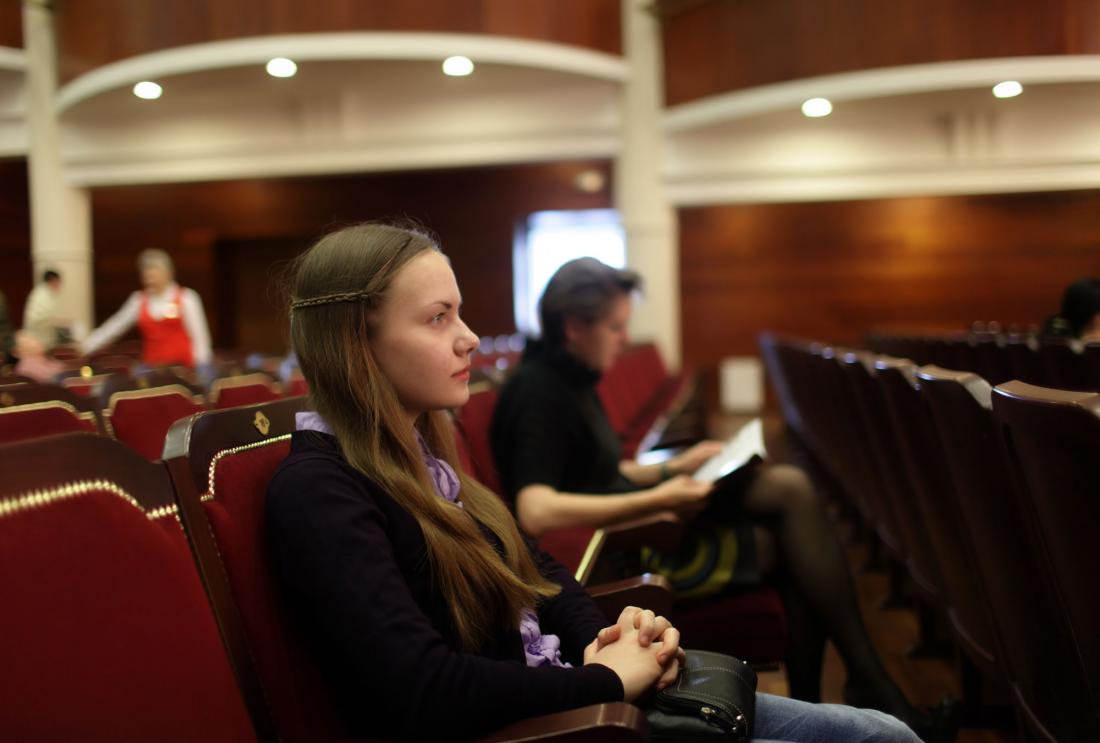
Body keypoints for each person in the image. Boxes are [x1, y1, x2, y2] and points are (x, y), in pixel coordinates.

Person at [265, 222, 919, 743]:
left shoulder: (417, 453)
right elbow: (423, 689)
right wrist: (605, 679)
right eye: (439, 317)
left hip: (566, 693)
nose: (469, 339)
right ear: (358, 341)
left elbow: (532, 563)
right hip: (549, 721)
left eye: (460, 314)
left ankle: (872, 685)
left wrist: (597, 635)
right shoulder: (321, 490)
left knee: (879, 732)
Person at [491, 257, 951, 740]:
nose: (625, 339)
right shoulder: (536, 390)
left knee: (789, 517)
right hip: (632, 549)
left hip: (643, 524)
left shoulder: (572, 379)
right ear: (573, 327)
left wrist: (676, 466)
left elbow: (598, 473)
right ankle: (864, 687)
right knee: (788, 512)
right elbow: (537, 507)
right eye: (615, 327)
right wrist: (660, 498)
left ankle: (851, 690)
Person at [80, 249, 212, 370]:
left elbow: (200, 337)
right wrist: (86, 346)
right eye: (146, 275)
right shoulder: (138, 300)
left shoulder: (187, 298)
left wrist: (202, 366)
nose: (149, 280)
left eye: (153, 274)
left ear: (167, 273)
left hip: (184, 367)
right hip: (151, 367)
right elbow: (114, 326)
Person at [22, 269, 69, 350]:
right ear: (53, 280)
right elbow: (40, 318)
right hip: (37, 341)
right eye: (59, 282)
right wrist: (61, 323)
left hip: (42, 340)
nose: (60, 285)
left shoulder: (44, 293)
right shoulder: (42, 294)